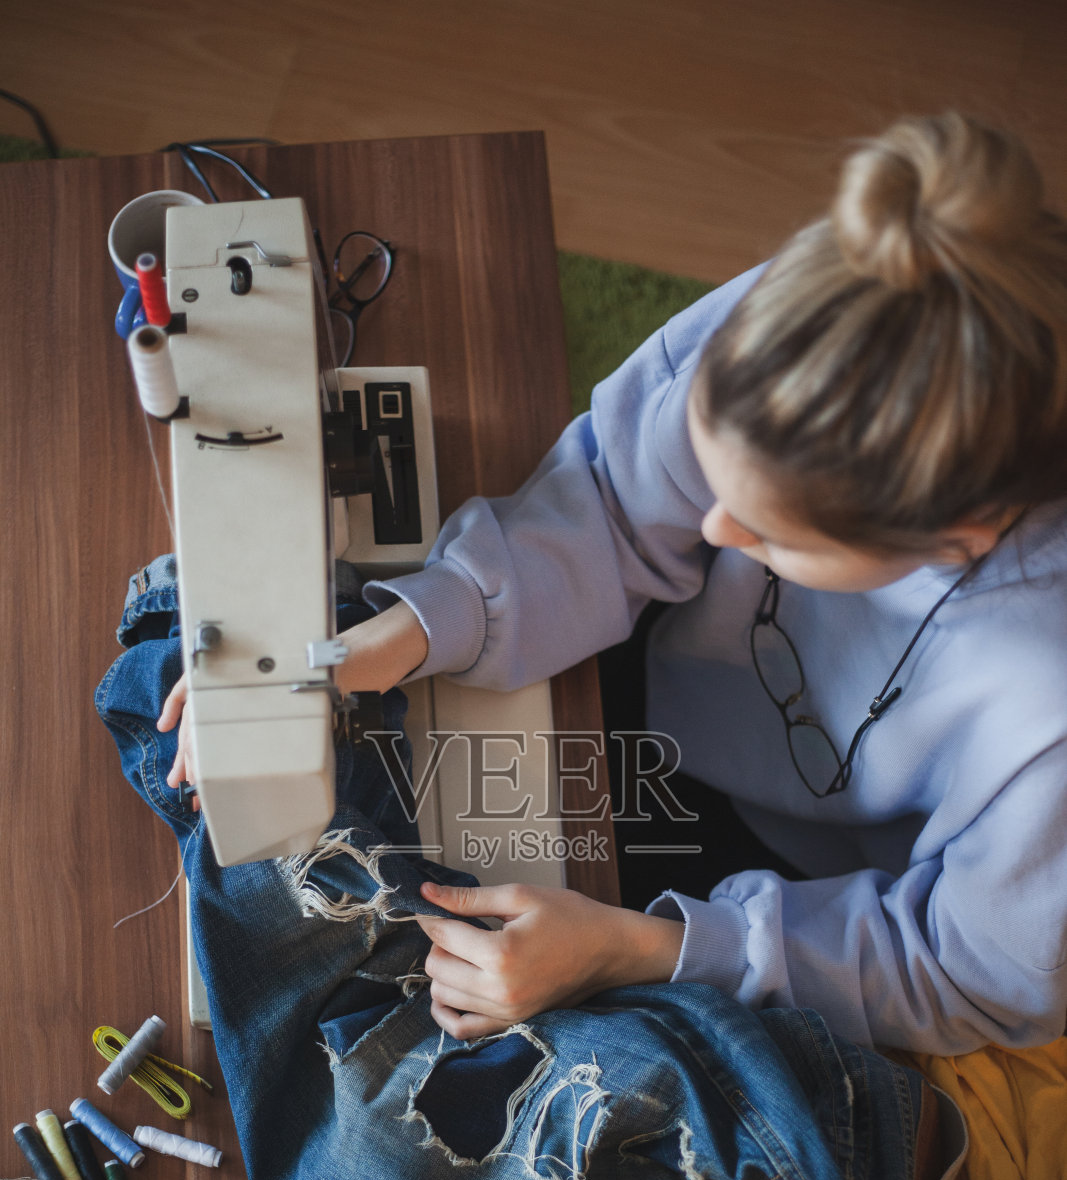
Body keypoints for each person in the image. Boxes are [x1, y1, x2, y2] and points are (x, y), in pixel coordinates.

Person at [159, 111, 1067, 1056]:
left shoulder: (1046, 719)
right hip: (673, 686)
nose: (715, 533)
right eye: (718, 480)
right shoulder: (823, 319)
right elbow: (623, 501)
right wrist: (397, 636)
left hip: (817, 895)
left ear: (955, 542)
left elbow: (963, 968)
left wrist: (639, 949)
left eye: (770, 535)